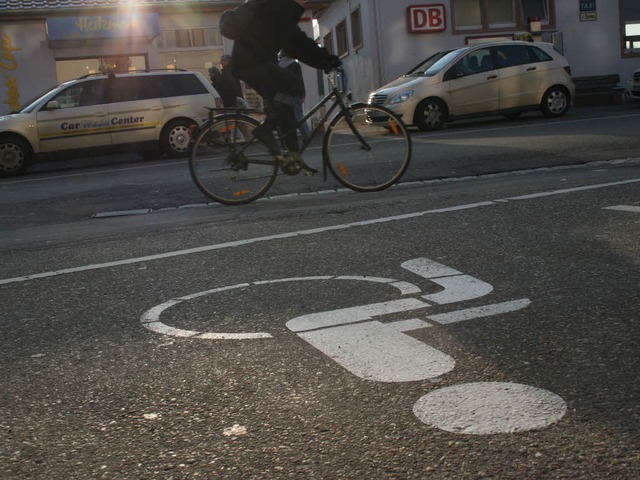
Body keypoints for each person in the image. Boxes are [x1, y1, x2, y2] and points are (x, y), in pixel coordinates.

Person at [229, 0, 341, 174]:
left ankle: (292, 156)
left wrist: (323, 59)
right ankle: (266, 130)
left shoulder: (283, 7)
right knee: (291, 84)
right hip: (251, 63)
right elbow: (295, 42)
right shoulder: (280, 6)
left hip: (253, 63)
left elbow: (295, 40)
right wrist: (324, 60)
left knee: (284, 105)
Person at [278, 50, 312, 142]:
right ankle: (306, 135)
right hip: (295, 94)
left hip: (282, 95)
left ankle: (285, 138)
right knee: (299, 116)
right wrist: (302, 94)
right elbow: (299, 82)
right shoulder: (295, 65)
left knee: (285, 117)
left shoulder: (278, 65)